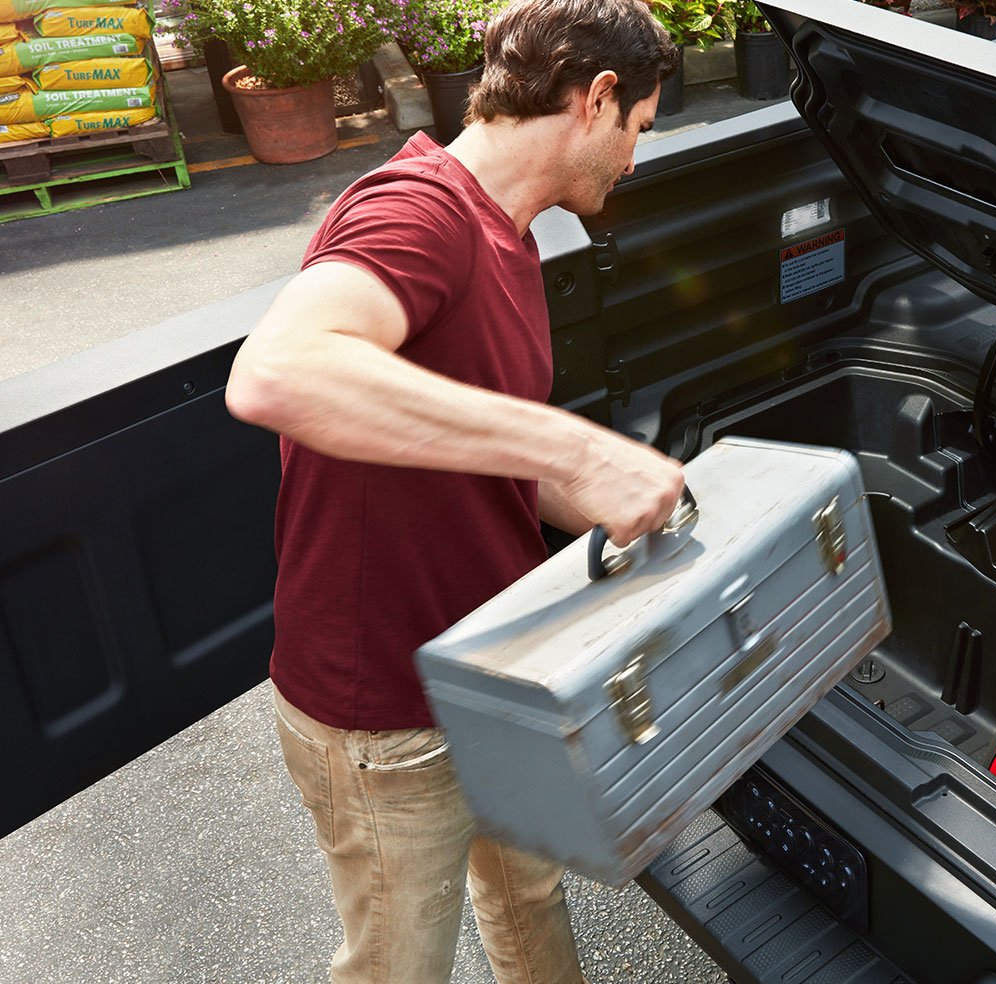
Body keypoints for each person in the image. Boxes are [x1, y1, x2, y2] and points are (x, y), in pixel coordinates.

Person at [223, 1, 683, 980]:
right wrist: (572, 447)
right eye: (640, 128)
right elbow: (278, 373)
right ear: (596, 98)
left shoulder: (511, 233)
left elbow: (479, 452)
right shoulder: (416, 210)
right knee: (399, 965)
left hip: (489, 674)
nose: (636, 160)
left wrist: (618, 498)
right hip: (383, 711)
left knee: (527, 896)